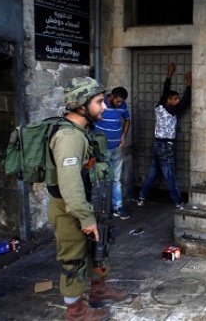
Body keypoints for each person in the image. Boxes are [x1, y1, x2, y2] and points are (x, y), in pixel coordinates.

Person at [48, 77, 127, 321]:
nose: (104, 106)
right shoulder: (69, 137)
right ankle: (76, 312)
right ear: (81, 105)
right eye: (98, 102)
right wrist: (85, 217)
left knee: (99, 247)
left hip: (88, 203)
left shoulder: (82, 131)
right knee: (74, 259)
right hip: (71, 208)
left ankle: (99, 289)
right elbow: (70, 184)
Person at [137, 61, 191, 209]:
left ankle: (141, 197)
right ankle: (178, 202)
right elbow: (185, 102)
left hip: (157, 144)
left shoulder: (159, 107)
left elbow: (164, 92)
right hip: (165, 146)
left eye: (177, 99)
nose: (177, 101)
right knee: (169, 176)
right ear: (169, 101)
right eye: (175, 99)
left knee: (152, 173)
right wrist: (189, 85)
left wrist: (169, 74)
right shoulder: (171, 110)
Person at [92, 87, 131, 220]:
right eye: (118, 101)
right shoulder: (101, 105)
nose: (120, 104)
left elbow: (127, 119)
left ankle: (118, 207)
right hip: (103, 149)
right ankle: (102, 209)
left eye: (122, 102)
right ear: (112, 96)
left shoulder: (122, 105)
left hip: (117, 147)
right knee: (103, 179)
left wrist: (123, 136)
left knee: (116, 179)